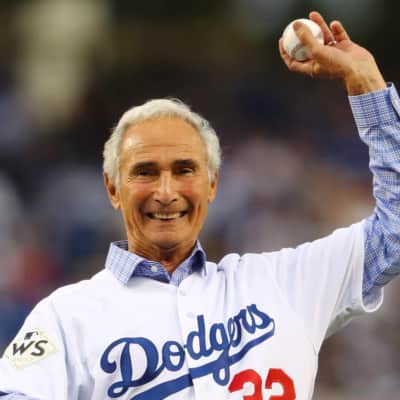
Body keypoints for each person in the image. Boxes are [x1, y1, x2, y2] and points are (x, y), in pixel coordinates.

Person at [0, 10, 399, 399]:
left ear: (212, 185)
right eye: (145, 172)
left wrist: (365, 81)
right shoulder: (67, 318)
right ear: (113, 188)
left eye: (184, 170)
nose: (166, 191)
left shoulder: (283, 284)